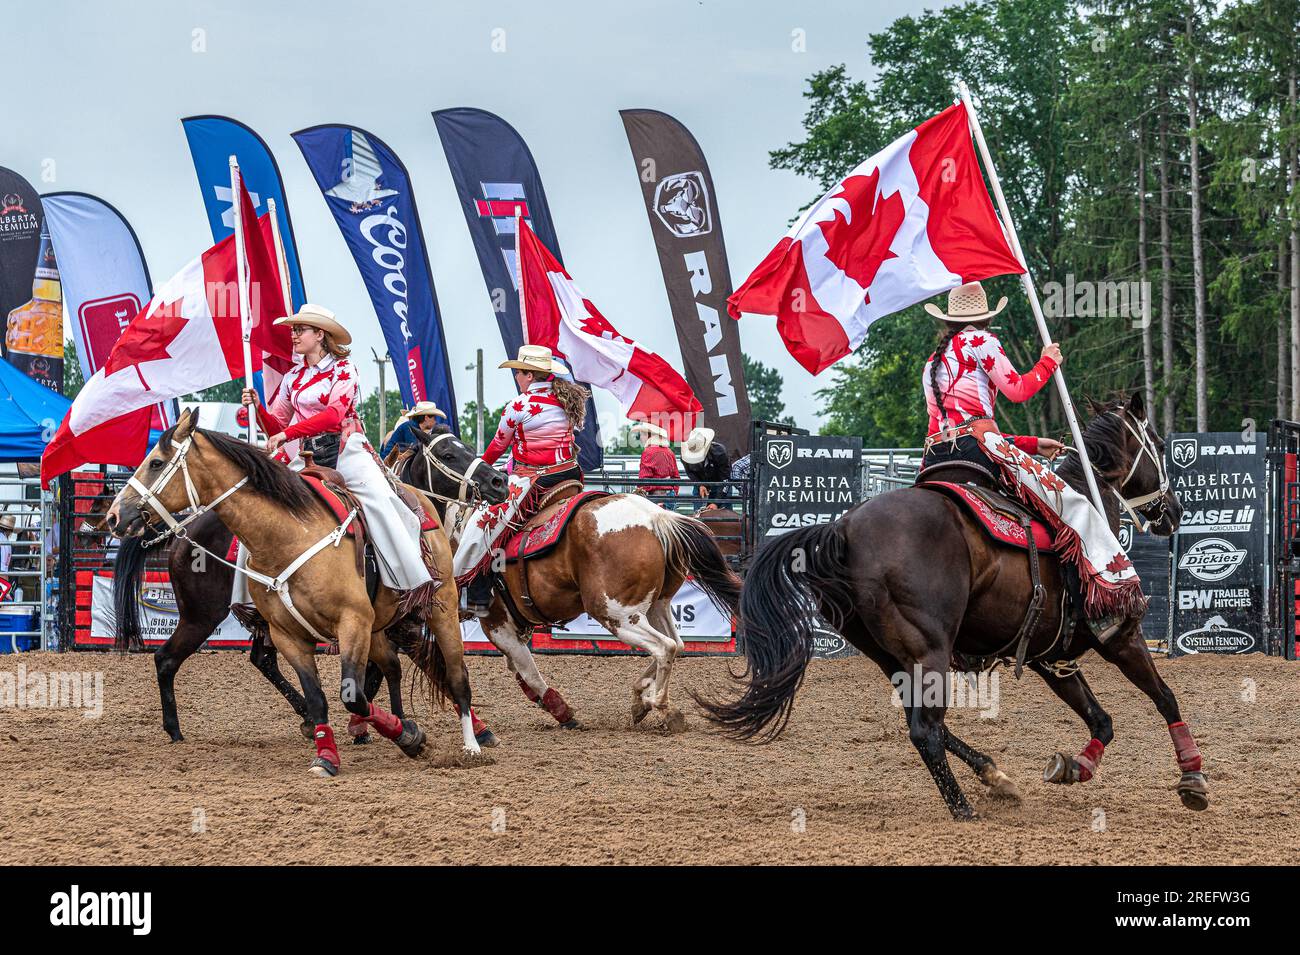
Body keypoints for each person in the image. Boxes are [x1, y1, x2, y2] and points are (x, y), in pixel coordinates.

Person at [919, 281, 1141, 638]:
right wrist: (1048, 362)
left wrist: (1031, 443)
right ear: (985, 318)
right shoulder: (983, 342)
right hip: (980, 448)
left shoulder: (933, 360)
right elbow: (1017, 391)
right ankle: (1098, 601)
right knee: (1072, 505)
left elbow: (951, 427)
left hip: (934, 457)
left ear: (950, 320)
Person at [239, 304, 434, 604]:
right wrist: (258, 409)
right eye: (293, 329)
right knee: (258, 501)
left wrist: (286, 433)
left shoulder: (344, 369)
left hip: (345, 448)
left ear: (320, 334)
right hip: (306, 454)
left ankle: (409, 585)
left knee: (380, 500)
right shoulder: (293, 377)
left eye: (300, 329)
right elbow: (276, 425)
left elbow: (333, 416)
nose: (294, 334)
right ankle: (250, 601)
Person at [452, 345, 588, 616]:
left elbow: (497, 446)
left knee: (482, 525)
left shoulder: (518, 406)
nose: (516, 377)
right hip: (570, 475)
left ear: (529, 375)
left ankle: (472, 593)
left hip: (538, 480)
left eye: (518, 372)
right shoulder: (565, 400)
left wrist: (479, 472)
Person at [681, 426, 731, 505]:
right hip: (700, 483)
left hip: (719, 485)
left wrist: (716, 503)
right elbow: (690, 472)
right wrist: (699, 484)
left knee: (723, 513)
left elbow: (725, 479)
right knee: (698, 514)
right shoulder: (684, 456)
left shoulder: (720, 453)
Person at [381, 401, 447, 458]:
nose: (435, 421)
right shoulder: (410, 427)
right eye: (434, 418)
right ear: (426, 418)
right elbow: (415, 451)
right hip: (389, 465)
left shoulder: (413, 426)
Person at [632, 422, 679, 501]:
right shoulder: (670, 452)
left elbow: (644, 480)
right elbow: (676, 477)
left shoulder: (648, 452)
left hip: (655, 496)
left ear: (650, 436)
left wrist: (641, 490)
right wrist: (674, 491)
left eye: (643, 434)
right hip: (670, 495)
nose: (640, 438)